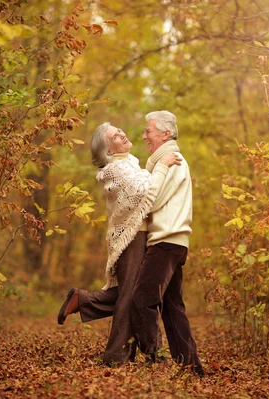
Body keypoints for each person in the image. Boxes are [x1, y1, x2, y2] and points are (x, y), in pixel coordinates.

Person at [57, 122, 180, 365]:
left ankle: (82, 300)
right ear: (109, 150)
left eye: (120, 130)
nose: (123, 133)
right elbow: (144, 192)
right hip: (130, 238)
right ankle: (118, 356)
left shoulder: (130, 163)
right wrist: (162, 167)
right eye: (115, 135)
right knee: (131, 296)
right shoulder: (113, 171)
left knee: (138, 293)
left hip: (143, 234)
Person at [130, 110, 204, 377]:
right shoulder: (164, 160)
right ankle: (191, 366)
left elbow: (152, 199)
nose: (144, 135)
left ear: (165, 133)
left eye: (148, 131)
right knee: (173, 308)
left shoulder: (172, 162)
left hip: (166, 241)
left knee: (142, 299)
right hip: (174, 241)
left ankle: (155, 362)